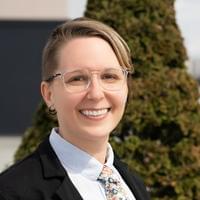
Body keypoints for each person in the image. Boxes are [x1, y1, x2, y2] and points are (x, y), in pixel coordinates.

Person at [0, 17, 150, 200]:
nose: (96, 94)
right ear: (49, 95)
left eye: (109, 76)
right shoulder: (12, 192)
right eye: (77, 79)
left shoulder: (134, 185)